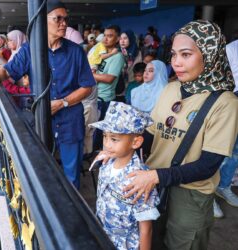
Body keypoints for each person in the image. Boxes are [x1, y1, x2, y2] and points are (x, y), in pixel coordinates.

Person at [107, 20, 238, 250]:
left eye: (186, 54)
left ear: (209, 54)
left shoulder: (225, 103)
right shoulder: (170, 89)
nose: (176, 63)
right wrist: (119, 150)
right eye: (174, 54)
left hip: (190, 196)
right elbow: (151, 132)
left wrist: (155, 176)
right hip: (153, 185)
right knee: (151, 240)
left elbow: (208, 165)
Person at [0, 0, 95, 189]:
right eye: (58, 19)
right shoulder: (30, 50)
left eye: (66, 19)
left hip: (70, 120)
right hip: (41, 120)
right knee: (42, 172)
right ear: (44, 21)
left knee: (71, 176)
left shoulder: (76, 52)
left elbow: (87, 86)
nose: (64, 23)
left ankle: (69, 215)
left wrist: (62, 103)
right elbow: (7, 71)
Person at [90, 102, 159, 250]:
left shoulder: (140, 180)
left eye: (114, 139)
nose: (107, 144)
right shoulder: (106, 162)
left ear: (136, 142)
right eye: (104, 136)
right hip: (102, 235)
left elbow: (146, 229)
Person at [213, 37, 238, 218]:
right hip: (230, 100)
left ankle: (223, 186)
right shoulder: (230, 49)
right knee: (216, 148)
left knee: (236, 152)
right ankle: (207, 192)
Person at [93, 25, 125, 150]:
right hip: (95, 97)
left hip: (104, 99)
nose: (105, 39)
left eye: (110, 36)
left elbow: (109, 78)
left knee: (99, 135)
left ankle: (100, 161)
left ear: (117, 39)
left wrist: (91, 75)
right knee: (93, 132)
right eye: (104, 35)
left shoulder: (118, 57)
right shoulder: (103, 53)